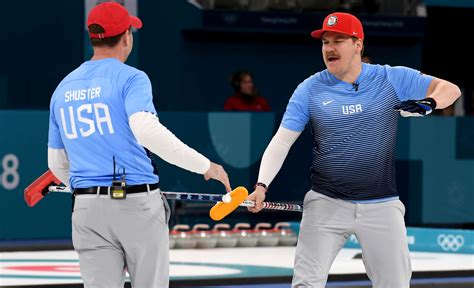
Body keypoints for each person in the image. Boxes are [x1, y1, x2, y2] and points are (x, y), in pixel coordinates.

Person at [247, 12, 461, 288]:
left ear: (358, 44)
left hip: (381, 205)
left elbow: (450, 89)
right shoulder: (309, 89)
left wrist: (428, 103)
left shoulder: (390, 78)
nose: (330, 48)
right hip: (326, 203)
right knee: (305, 284)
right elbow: (281, 141)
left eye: (338, 40)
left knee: (395, 284)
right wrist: (262, 185)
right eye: (325, 42)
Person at [47, 2, 231, 288]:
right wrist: (205, 166)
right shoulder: (131, 78)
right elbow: (147, 131)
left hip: (86, 209)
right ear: (126, 36)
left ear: (92, 36)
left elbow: (57, 164)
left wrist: (90, 190)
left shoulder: (63, 88)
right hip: (135, 204)